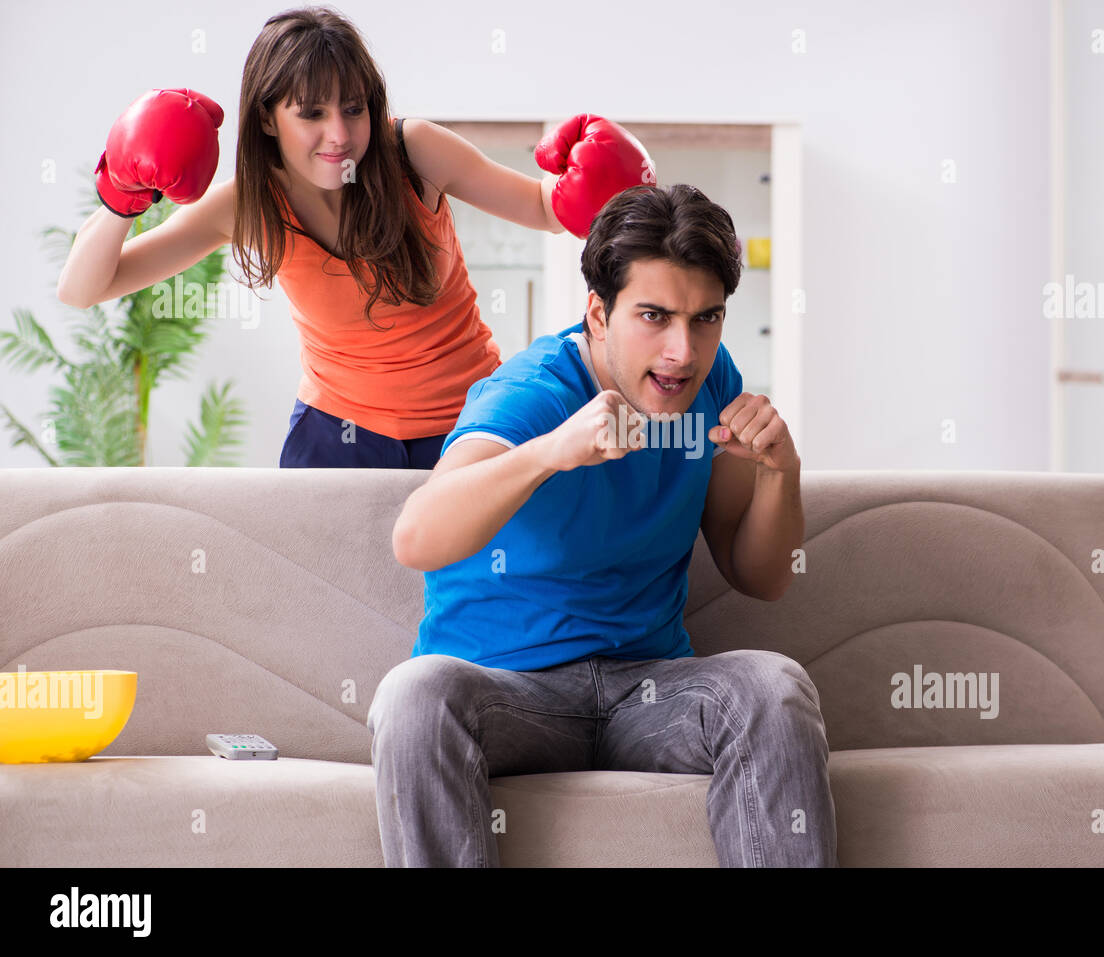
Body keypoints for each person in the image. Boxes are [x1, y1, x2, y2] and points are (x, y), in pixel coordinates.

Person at [368, 183, 838, 867]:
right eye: (654, 315)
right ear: (597, 311)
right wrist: (553, 451)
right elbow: (417, 536)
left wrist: (780, 468)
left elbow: (758, 575)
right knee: (413, 697)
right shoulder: (531, 392)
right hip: (507, 692)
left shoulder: (709, 383)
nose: (682, 349)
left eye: (706, 318)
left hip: (649, 689)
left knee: (772, 686)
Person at [56, 6, 653, 470]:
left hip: (471, 423)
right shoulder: (248, 204)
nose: (339, 134)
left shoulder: (414, 151)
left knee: (471, 606)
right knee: (325, 619)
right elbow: (86, 289)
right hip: (335, 434)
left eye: (353, 108)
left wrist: (603, 180)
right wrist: (121, 197)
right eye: (311, 113)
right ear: (268, 118)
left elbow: (547, 208)